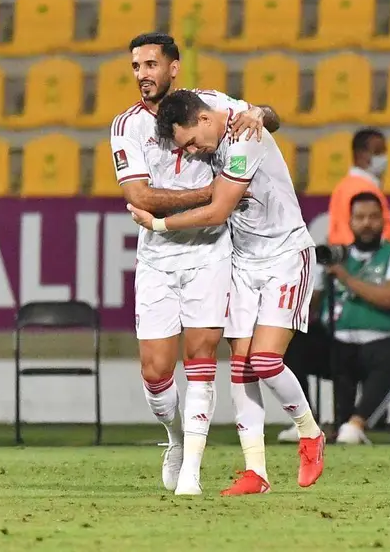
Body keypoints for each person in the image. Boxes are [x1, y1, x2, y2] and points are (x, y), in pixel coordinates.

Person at [128, 89, 325, 495]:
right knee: (241, 366)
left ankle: (310, 432)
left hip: (285, 254)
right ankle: (256, 471)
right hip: (242, 259)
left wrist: (159, 226)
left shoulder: (241, 137)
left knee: (266, 361)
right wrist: (259, 110)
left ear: (203, 119)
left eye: (191, 142)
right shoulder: (217, 134)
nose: (194, 152)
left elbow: (218, 210)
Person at [111, 32, 279, 495]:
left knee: (202, 356)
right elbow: (141, 198)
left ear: (173, 67)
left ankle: (192, 473)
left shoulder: (209, 103)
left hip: (210, 251)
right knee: (155, 369)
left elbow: (271, 118)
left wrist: (259, 113)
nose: (143, 74)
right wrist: (219, 192)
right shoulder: (126, 125)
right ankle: (174, 439)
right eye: (136, 66)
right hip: (159, 258)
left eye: (150, 64)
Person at [279, 192, 390, 444]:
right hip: (338, 342)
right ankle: (307, 424)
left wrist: (345, 278)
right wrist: (311, 273)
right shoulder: (337, 256)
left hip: (381, 340)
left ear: (383, 221)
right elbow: (308, 306)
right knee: (292, 341)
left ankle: (355, 425)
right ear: (350, 222)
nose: (367, 223)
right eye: (360, 217)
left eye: (373, 217)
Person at [328, 128, 390, 246]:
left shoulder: (342, 186)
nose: (384, 158)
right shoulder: (365, 190)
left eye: (384, 152)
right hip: (367, 258)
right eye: (378, 152)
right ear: (360, 155)